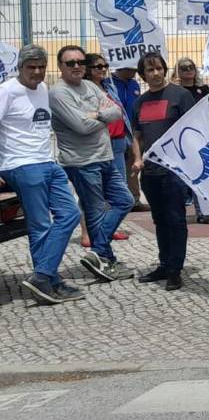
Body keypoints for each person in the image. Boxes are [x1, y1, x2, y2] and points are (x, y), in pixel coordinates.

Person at [0, 45, 83, 303]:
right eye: (30, 67)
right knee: (41, 225)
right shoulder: (7, 91)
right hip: (21, 165)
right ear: (20, 67)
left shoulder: (44, 89)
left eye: (41, 66)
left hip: (48, 162)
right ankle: (50, 281)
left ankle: (43, 276)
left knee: (70, 214)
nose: (36, 72)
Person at [49, 45, 135, 282]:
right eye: (70, 63)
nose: (77, 66)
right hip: (82, 162)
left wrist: (95, 116)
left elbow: (117, 111)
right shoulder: (59, 93)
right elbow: (81, 127)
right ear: (61, 67)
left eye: (80, 61)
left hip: (105, 156)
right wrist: (101, 116)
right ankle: (107, 261)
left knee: (125, 200)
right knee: (96, 212)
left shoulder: (90, 86)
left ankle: (97, 252)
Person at [133, 52, 196, 292]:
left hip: (174, 171)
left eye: (159, 68)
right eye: (150, 70)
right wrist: (138, 159)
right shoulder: (140, 102)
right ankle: (164, 263)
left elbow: (192, 131)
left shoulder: (181, 96)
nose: (156, 73)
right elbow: (137, 135)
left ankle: (175, 270)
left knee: (176, 220)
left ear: (165, 69)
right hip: (150, 172)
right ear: (144, 75)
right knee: (159, 220)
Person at [84, 53, 137, 245]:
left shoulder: (108, 86)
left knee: (118, 188)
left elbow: (120, 112)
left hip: (119, 140)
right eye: (98, 66)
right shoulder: (85, 89)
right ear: (88, 69)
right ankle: (88, 233)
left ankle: (108, 228)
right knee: (95, 189)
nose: (103, 69)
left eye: (105, 65)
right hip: (100, 142)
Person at [174, 57, 209, 224]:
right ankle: (177, 211)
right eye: (184, 68)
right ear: (178, 71)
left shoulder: (203, 89)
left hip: (201, 136)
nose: (188, 70)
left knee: (202, 173)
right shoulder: (175, 90)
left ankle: (204, 212)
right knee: (181, 176)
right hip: (182, 138)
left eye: (191, 67)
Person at [107, 64, 145, 211]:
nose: (136, 72)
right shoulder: (109, 83)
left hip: (133, 131)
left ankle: (134, 200)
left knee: (134, 166)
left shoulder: (134, 84)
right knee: (117, 168)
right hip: (117, 131)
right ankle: (117, 201)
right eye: (133, 70)